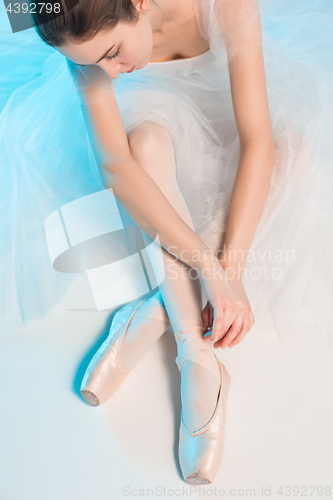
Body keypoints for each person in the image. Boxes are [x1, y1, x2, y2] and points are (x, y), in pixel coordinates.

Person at [1, 0, 333, 485]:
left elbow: (256, 138)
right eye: (94, 65)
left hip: (219, 103)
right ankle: (196, 359)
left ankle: (158, 307)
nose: (109, 73)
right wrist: (211, 271)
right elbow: (118, 168)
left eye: (113, 53)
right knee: (147, 148)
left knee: (294, 154)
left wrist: (228, 275)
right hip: (150, 114)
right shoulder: (78, 25)